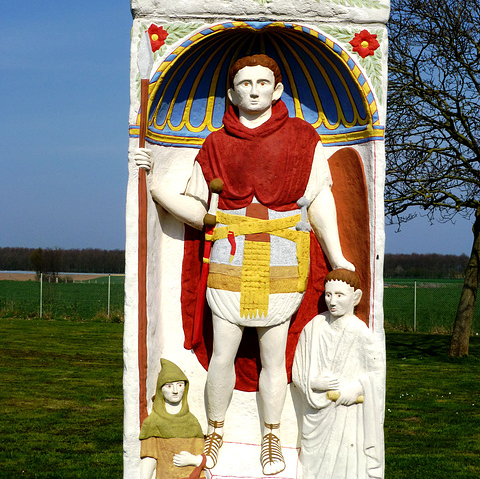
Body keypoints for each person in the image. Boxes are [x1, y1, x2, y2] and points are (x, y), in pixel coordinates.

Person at [135, 54, 353, 475]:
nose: (254, 89)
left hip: (283, 260)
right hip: (229, 260)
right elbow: (201, 212)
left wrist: (339, 256)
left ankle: (271, 437)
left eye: (262, 82)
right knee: (224, 354)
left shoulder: (303, 138)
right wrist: (155, 184)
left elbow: (319, 202)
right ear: (232, 93)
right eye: (245, 83)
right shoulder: (216, 144)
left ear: (277, 90)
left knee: (275, 357)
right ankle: (214, 433)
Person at [292, 270, 383, 479]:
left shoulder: (360, 333)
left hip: (346, 414)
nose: (332, 301)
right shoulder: (313, 328)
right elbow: (298, 370)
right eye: (328, 294)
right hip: (315, 415)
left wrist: (356, 388)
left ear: (356, 297)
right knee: (313, 468)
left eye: (340, 295)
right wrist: (314, 382)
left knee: (345, 463)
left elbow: (375, 373)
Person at [139, 359, 206, 479]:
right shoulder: (153, 422)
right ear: (161, 390)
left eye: (180, 385)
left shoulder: (192, 422)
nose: (175, 391)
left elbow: (201, 455)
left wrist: (194, 460)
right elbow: (149, 457)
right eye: (169, 386)